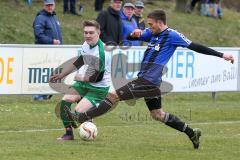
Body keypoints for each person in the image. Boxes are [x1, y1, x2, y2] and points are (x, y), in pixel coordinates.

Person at [66, 9, 234, 149]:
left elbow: (196, 46)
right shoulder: (151, 34)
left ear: (160, 23)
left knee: (113, 95)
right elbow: (134, 37)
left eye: (151, 24)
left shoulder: (172, 35)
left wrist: (221, 55)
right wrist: (134, 34)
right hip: (148, 82)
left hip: (148, 81)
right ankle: (192, 133)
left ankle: (80, 117)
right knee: (157, 114)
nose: (149, 27)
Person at [50, 20, 111, 140]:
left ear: (98, 33)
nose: (87, 35)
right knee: (65, 102)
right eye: (85, 32)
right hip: (83, 84)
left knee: (77, 113)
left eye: (91, 33)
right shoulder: (85, 44)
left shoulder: (102, 52)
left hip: (98, 88)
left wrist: (82, 77)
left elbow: (98, 77)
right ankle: (68, 134)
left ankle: (88, 120)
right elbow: (79, 61)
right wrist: (62, 75)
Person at [33, 0, 62, 100]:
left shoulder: (54, 18)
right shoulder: (40, 18)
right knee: (43, 72)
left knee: (52, 73)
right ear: (44, 6)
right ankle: (39, 95)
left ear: (54, 5)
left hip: (54, 52)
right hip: (44, 51)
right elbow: (38, 34)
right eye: (47, 5)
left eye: (51, 5)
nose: (50, 7)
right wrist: (52, 41)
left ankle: (46, 94)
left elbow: (58, 36)